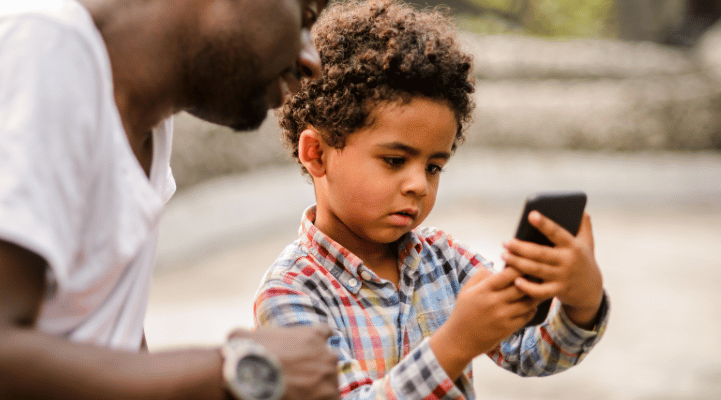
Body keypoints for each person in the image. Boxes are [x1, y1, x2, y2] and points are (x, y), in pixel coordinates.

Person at [0, 0, 341, 399]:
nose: (311, 59)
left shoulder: (143, 117)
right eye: (305, 14)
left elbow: (105, 356)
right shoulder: (29, 50)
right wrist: (243, 371)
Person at [252, 0, 610, 399]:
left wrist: (583, 299)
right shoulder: (290, 295)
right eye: (394, 160)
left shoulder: (446, 263)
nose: (419, 185)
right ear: (317, 153)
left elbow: (533, 353)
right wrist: (455, 343)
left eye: (434, 167)